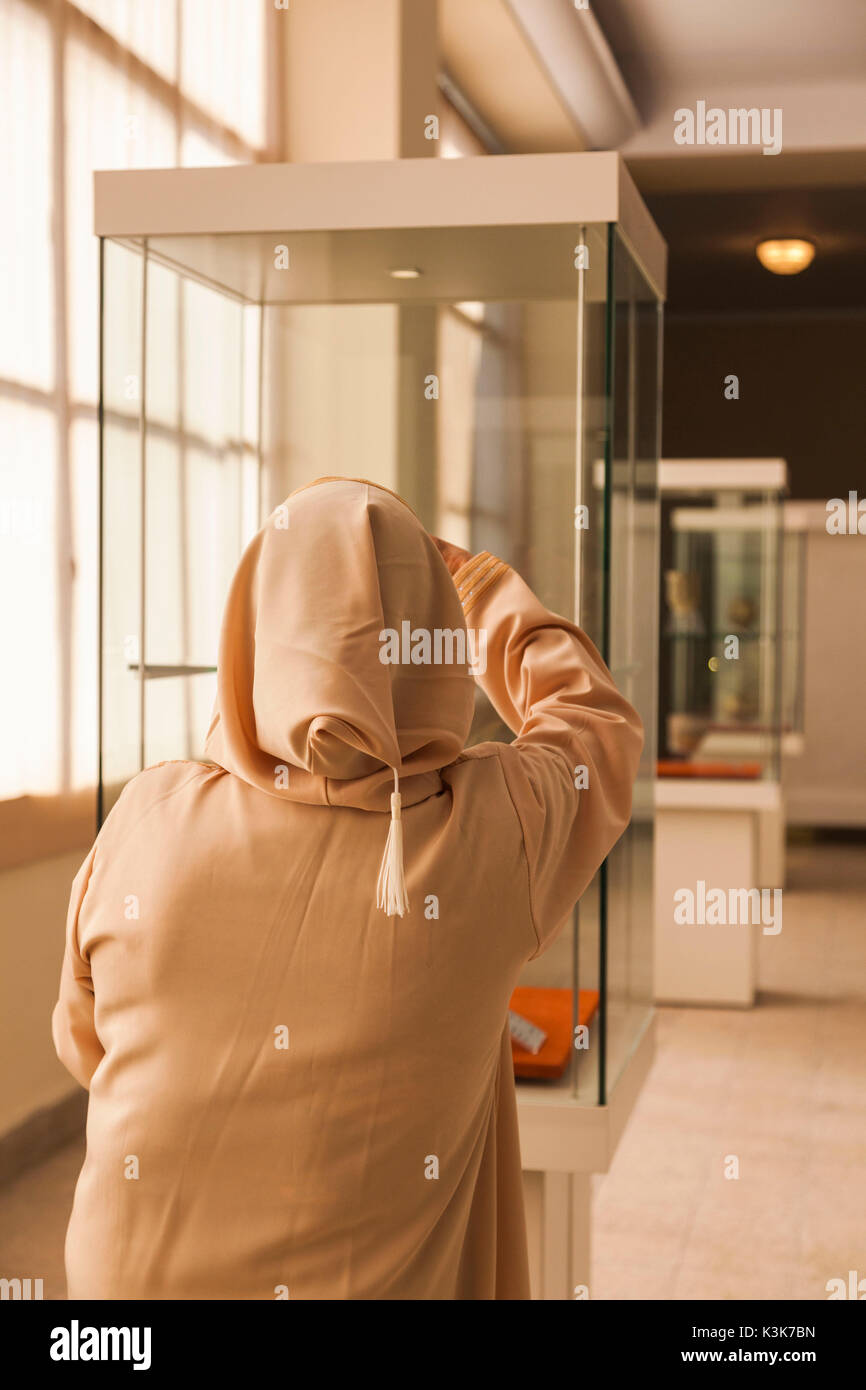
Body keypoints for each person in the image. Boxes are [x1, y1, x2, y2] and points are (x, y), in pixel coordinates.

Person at [53, 475, 642, 1300]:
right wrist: (479, 592)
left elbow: (87, 1047)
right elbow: (598, 725)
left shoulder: (146, 816)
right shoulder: (494, 828)